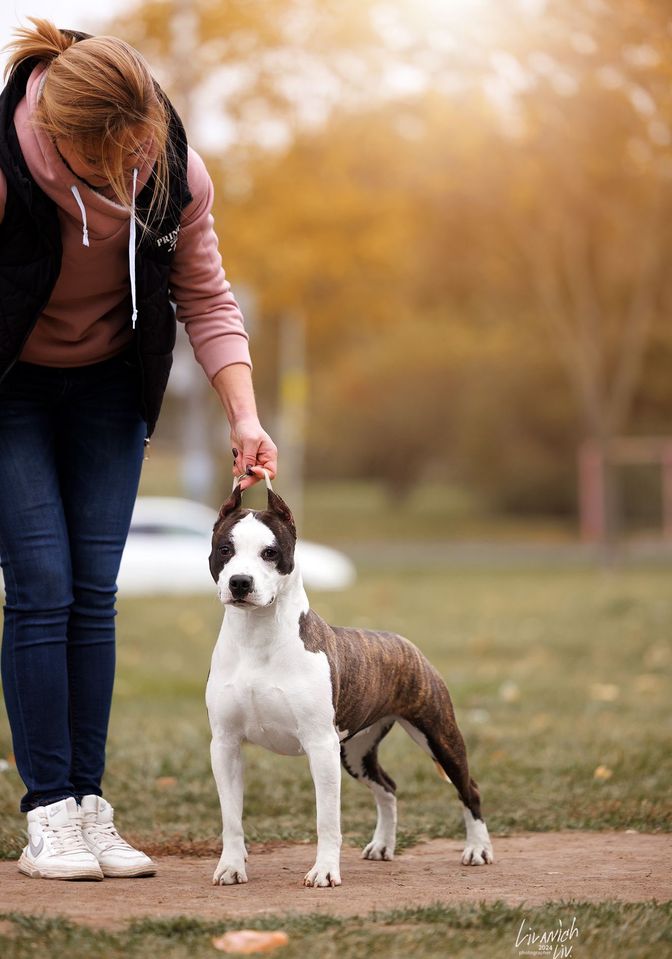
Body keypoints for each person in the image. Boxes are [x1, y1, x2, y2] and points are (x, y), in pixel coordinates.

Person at [0, 18, 277, 881]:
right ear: (58, 136)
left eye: (140, 156)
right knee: (40, 586)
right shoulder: (8, 173)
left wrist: (245, 416)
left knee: (93, 592)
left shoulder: (171, 172)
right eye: (108, 165)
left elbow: (207, 295)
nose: (130, 176)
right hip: (9, 391)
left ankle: (87, 803)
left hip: (108, 392)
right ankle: (47, 811)